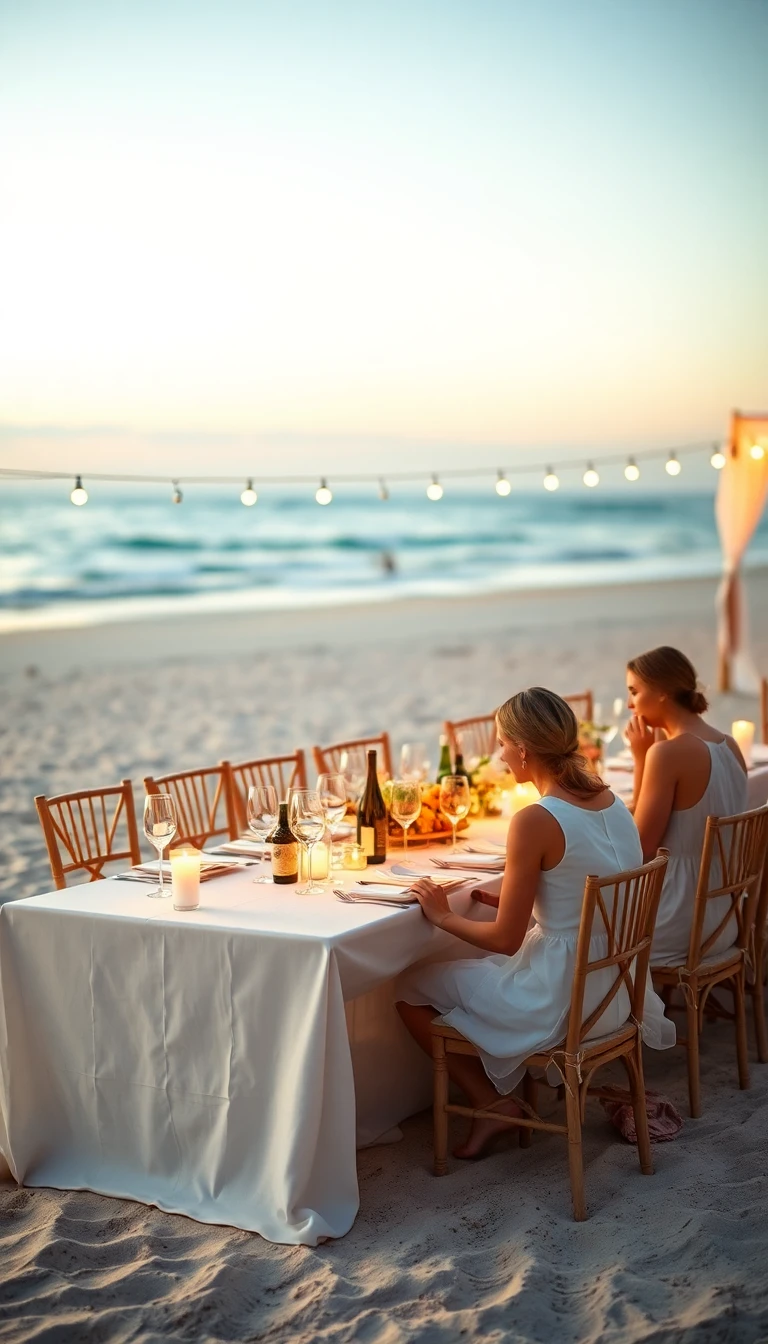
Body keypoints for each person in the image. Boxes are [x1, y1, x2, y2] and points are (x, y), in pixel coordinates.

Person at [396, 687, 675, 1160]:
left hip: (562, 1006)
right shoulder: (610, 801)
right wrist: (512, 898)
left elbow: (506, 940)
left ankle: (491, 1104)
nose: (499, 754)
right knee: (471, 970)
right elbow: (581, 882)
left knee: (410, 985)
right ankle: (499, 1098)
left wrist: (442, 916)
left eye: (502, 743)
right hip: (618, 995)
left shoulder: (534, 820)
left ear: (523, 748)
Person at [625, 646, 748, 964]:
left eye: (634, 691)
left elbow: (641, 848)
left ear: (662, 691)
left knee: (580, 932)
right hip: (724, 920)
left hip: (678, 922)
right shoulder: (729, 744)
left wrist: (641, 758)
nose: (629, 704)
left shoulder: (666, 754)